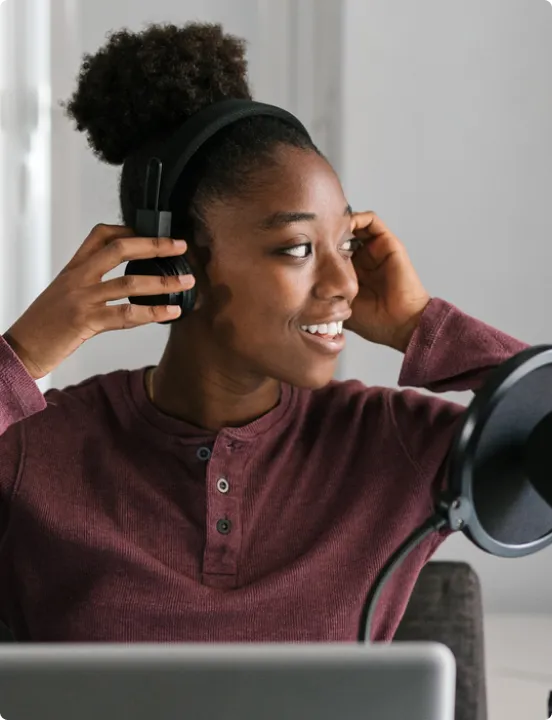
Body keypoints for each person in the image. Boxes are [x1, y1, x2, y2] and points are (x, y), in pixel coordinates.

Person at [0, 22, 528, 643]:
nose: (347, 283)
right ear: (177, 261)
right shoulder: (36, 449)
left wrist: (424, 327)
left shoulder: (391, 443)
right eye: (299, 248)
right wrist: (21, 356)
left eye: (347, 244)